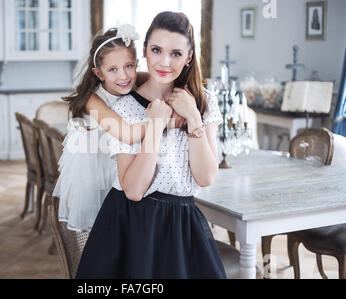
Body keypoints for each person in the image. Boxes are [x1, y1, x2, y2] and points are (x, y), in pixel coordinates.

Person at [76, 11, 226, 279]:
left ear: (189, 57)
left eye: (176, 53)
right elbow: (133, 190)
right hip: (132, 224)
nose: (165, 61)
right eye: (156, 50)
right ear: (144, 50)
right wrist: (156, 126)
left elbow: (205, 177)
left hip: (183, 224)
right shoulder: (123, 108)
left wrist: (193, 117)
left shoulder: (204, 103)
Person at [54, 25, 185, 234]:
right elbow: (126, 133)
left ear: (136, 64)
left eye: (128, 66)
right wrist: (165, 121)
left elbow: (164, 77)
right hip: (95, 168)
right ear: (99, 73)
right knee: (100, 227)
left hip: (122, 162)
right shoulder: (92, 99)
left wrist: (189, 95)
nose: (123, 76)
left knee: (124, 222)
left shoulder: (133, 78)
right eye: (113, 70)